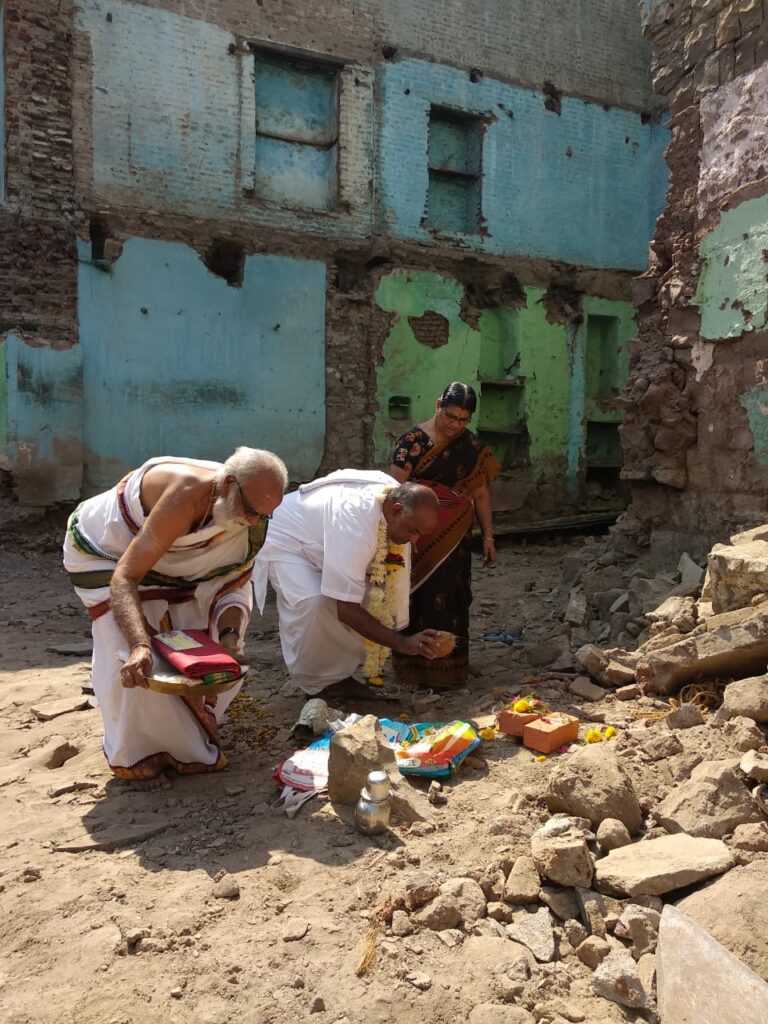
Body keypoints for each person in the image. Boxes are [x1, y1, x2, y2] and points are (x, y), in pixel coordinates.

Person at [63, 448, 287, 784]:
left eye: (265, 515)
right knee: (132, 651)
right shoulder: (185, 496)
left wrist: (227, 640)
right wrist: (139, 645)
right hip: (107, 556)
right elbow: (124, 579)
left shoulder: (246, 513)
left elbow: (233, 580)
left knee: (197, 647)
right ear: (228, 485)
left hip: (179, 572)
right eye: (252, 511)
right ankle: (139, 753)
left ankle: (188, 746)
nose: (255, 522)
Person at [252, 470, 443, 698]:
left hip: (327, 536)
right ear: (395, 511)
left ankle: (340, 676)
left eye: (420, 534)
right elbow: (346, 608)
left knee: (372, 597)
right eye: (413, 531)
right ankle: (319, 685)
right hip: (288, 539)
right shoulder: (355, 526)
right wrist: (402, 643)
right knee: (316, 604)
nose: (415, 541)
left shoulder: (395, 499)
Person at [389, 382, 501, 687]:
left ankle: (451, 668)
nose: (455, 425)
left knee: (452, 598)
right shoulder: (412, 443)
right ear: (439, 405)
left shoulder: (471, 447)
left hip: (455, 543)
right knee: (414, 599)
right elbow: (392, 491)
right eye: (451, 416)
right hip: (415, 540)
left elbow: (480, 493)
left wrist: (488, 536)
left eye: (463, 420)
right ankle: (411, 668)